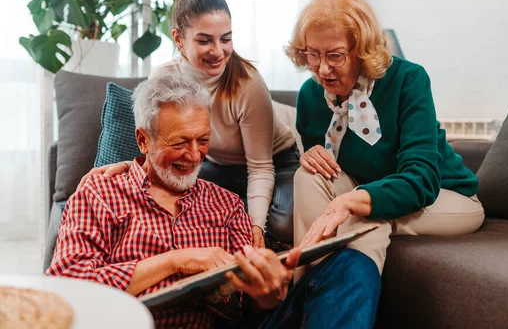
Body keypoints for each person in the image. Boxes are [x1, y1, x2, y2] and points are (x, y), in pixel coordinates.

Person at [47, 74, 380, 329]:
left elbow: (242, 309)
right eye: (179, 142)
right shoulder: (99, 193)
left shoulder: (227, 205)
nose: (194, 155)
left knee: (353, 265)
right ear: (142, 139)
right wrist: (176, 261)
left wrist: (264, 296)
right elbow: (66, 283)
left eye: (203, 140)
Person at [82, 0, 299, 248]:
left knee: (282, 222)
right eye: (205, 40)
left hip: (273, 162)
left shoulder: (248, 85)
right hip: (214, 164)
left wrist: (256, 227)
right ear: (178, 39)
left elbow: (260, 168)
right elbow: (157, 148)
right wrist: (130, 166)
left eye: (226, 38)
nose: (218, 51)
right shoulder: (164, 78)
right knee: (179, 203)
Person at [286, 0, 485, 274]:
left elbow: (422, 179)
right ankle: (302, 289)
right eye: (312, 55)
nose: (323, 69)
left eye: (336, 55)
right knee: (308, 177)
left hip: (445, 195)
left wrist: (357, 200)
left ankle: (340, 307)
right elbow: (333, 177)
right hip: (366, 187)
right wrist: (312, 155)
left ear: (362, 49)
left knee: (364, 216)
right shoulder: (310, 95)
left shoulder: (408, 79)